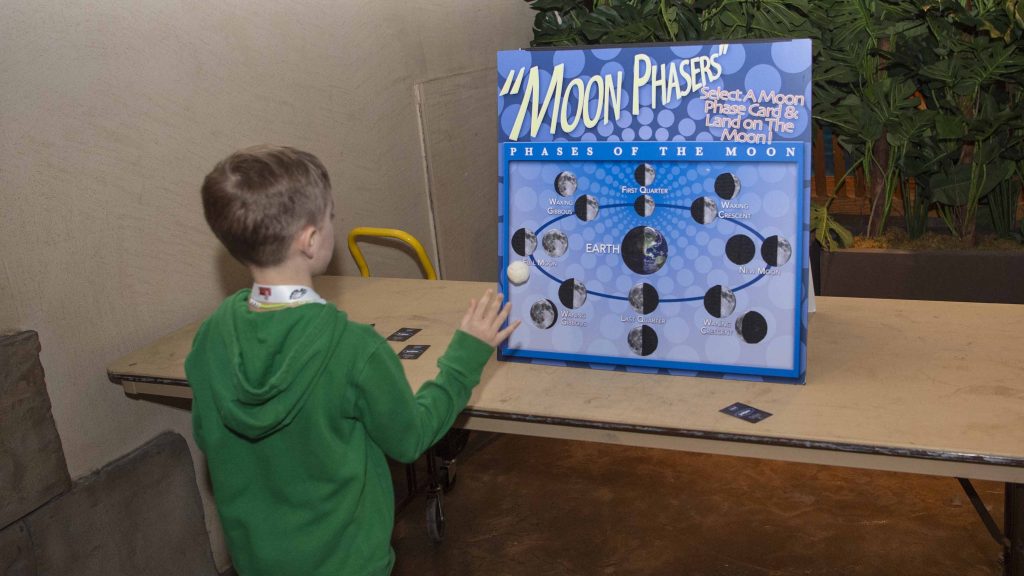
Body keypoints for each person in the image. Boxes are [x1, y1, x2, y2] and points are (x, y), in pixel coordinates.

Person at [185, 145, 519, 576]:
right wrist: (466, 354)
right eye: (330, 218)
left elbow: (207, 432)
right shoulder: (352, 348)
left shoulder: (212, 336)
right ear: (309, 240)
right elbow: (411, 437)